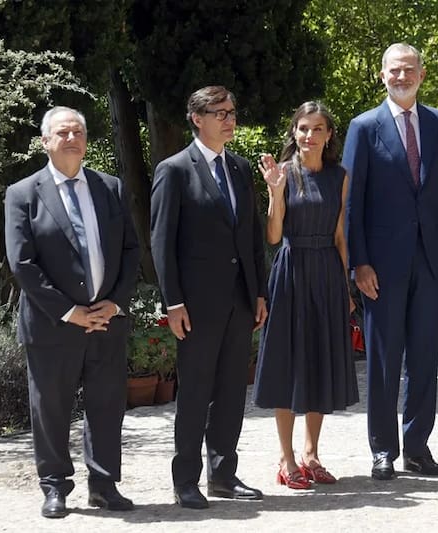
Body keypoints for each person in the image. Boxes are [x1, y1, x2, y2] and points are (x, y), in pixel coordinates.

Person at [4, 106, 140, 518]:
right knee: (51, 408)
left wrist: (114, 303)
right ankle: (55, 487)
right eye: (62, 132)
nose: (71, 138)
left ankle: (103, 485)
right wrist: (69, 312)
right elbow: (22, 263)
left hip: (106, 319)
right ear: (45, 141)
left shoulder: (110, 187)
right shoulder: (23, 193)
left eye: (78, 131)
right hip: (52, 326)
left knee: (106, 405)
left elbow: (131, 250)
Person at [342, 43, 438, 480]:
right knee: (383, 359)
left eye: (409, 69)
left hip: (432, 261)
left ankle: (417, 447)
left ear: (422, 74)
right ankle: (382, 450)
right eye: (394, 70)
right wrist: (359, 263)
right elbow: (351, 202)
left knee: (426, 358)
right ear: (382, 75)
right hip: (381, 266)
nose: (401, 76)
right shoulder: (363, 127)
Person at [150, 86, 268, 508]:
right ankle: (186, 481)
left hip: (240, 303)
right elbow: (162, 243)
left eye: (232, 112)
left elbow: (252, 236)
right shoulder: (174, 170)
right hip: (195, 308)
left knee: (233, 392)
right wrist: (174, 302)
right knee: (196, 393)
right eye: (220, 113)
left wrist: (259, 292)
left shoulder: (239, 168)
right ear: (196, 118)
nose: (229, 119)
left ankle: (224, 475)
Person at [253, 102, 359, 490]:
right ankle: (286, 457)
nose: (310, 135)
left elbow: (340, 235)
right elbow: (273, 235)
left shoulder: (340, 176)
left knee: (321, 359)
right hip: (292, 270)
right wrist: (275, 193)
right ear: (293, 133)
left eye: (318, 129)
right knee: (289, 359)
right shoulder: (283, 174)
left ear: (329, 135)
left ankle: (311, 454)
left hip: (328, 272)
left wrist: (346, 287)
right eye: (303, 128)